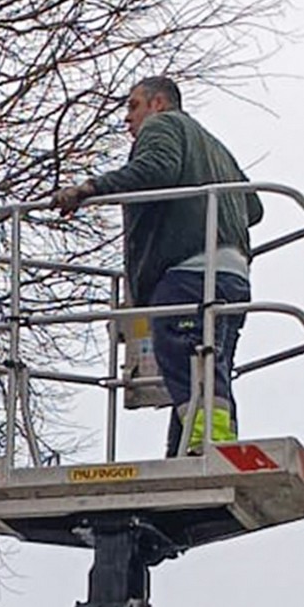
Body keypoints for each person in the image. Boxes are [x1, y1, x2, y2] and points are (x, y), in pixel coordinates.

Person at [51, 76, 261, 454]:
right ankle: (192, 448)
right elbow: (254, 207)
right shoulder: (215, 148)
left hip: (189, 273)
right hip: (233, 277)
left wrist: (90, 189)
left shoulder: (163, 125)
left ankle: (207, 444)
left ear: (158, 103)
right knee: (208, 362)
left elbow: (156, 169)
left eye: (133, 106)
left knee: (183, 357)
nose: (127, 119)